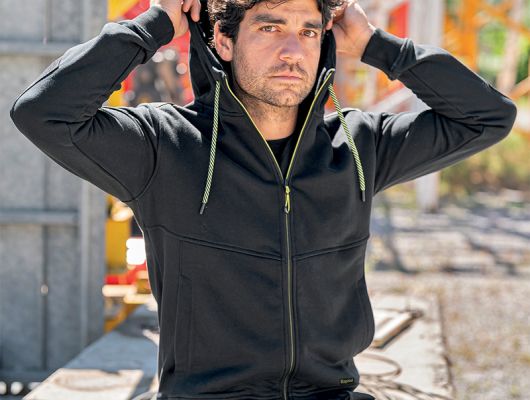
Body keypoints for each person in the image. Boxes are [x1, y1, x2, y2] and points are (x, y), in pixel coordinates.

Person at [9, 0, 516, 398]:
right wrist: (153, 25)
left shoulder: (359, 146)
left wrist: (378, 46)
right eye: (271, 28)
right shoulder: (165, 147)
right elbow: (43, 112)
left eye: (309, 31)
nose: (293, 51)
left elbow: (488, 117)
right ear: (224, 41)